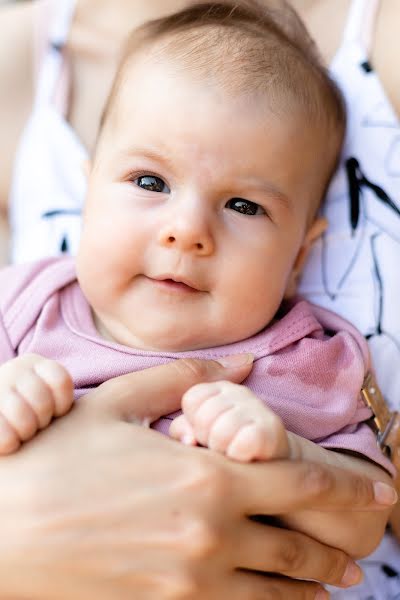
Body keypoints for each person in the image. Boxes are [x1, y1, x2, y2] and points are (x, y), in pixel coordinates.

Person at [0, 0, 398, 598]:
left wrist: (284, 453)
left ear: (297, 259)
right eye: (149, 183)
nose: (186, 229)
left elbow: (366, 519)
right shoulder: (28, 304)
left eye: (244, 206)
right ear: (86, 198)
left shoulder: (303, 356)